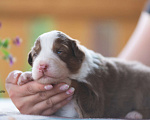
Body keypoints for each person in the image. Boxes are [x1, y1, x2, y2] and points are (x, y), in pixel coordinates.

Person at [5, 0, 150, 116]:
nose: (42, 63)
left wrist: (70, 84)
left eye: (60, 52)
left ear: (78, 56)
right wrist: (29, 87)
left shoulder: (90, 70)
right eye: (35, 55)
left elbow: (93, 111)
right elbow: (129, 65)